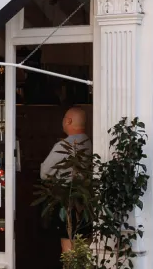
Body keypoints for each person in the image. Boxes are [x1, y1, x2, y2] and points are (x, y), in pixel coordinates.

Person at [39, 106, 92, 252]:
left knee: (68, 247)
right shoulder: (91, 143)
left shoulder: (64, 145)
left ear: (68, 121)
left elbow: (44, 173)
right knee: (85, 246)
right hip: (88, 202)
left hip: (67, 201)